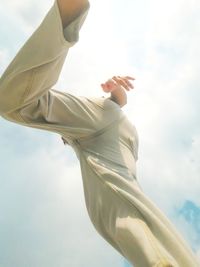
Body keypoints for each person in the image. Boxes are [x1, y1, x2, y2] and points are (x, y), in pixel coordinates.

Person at [0, 1, 199, 266]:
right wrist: (116, 92)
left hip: (111, 136)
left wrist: (115, 94)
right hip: (119, 142)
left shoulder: (95, 129)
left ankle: (70, 12)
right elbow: (116, 110)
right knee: (118, 211)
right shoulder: (102, 134)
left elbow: (112, 112)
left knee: (116, 213)